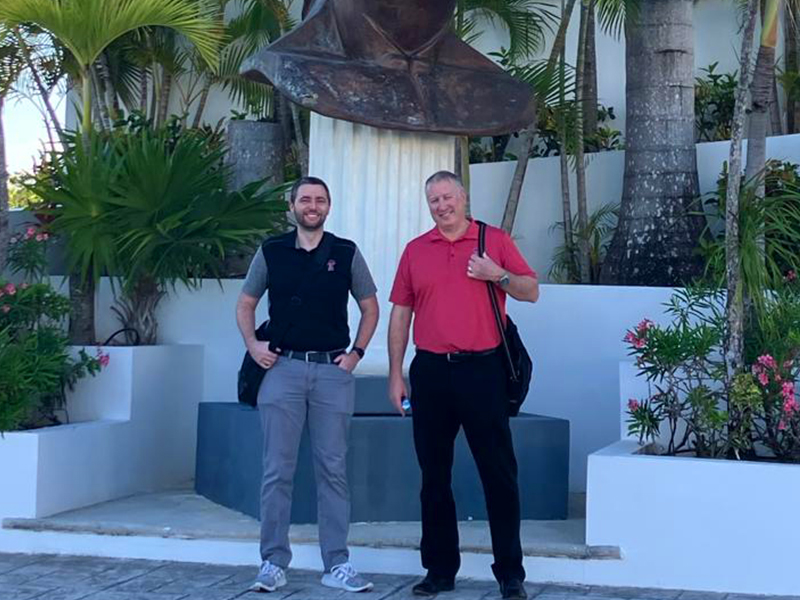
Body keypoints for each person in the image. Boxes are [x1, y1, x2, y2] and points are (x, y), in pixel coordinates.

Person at [387, 171, 539, 600]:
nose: (441, 205)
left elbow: (531, 291)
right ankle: (439, 569)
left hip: (483, 371)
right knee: (433, 476)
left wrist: (497, 274)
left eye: (447, 196)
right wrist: (396, 373)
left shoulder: (494, 241)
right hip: (431, 373)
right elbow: (401, 313)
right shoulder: (416, 250)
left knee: (499, 474)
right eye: (433, 199)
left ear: (463, 197)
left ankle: (510, 573)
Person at [236, 176, 379, 593]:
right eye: (304, 199)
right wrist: (252, 344)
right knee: (276, 470)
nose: (311, 206)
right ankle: (272, 563)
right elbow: (246, 303)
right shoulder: (272, 252)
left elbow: (370, 307)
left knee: (333, 470)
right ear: (292, 205)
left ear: (328, 207)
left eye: (319, 200)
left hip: (332, 373)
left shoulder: (346, 252)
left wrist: (357, 354)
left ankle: (337, 563)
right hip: (282, 371)